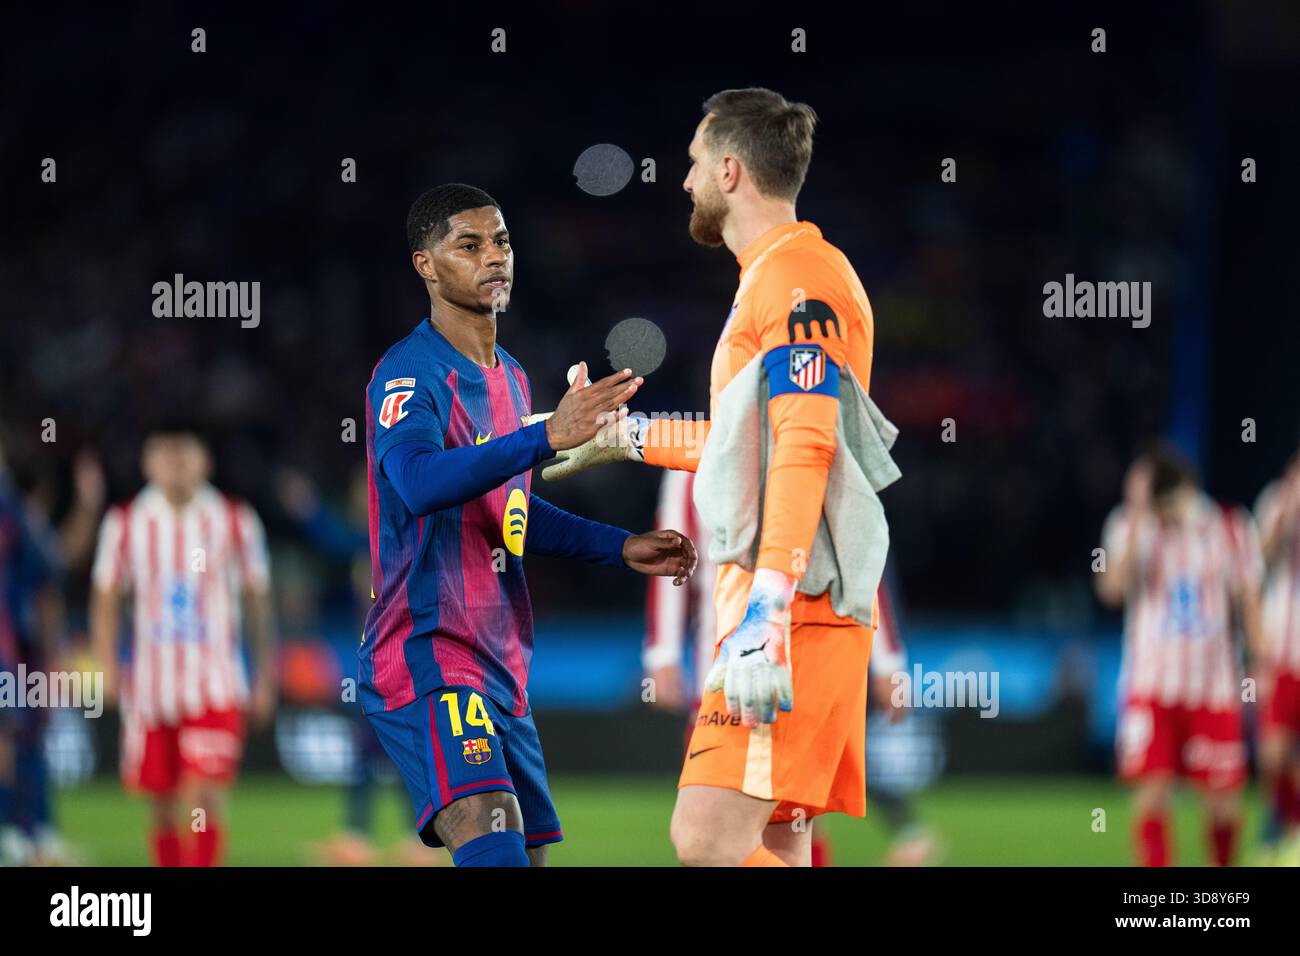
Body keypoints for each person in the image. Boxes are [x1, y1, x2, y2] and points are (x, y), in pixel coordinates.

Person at [549, 88, 886, 866]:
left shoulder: (800, 282)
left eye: (695, 162)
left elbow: (806, 445)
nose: (684, 181)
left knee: (704, 839)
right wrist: (628, 436)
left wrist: (767, 609)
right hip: (788, 604)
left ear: (731, 171)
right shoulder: (777, 276)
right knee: (774, 846)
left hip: (790, 609)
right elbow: (753, 445)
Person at [360, 183, 697, 867]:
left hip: (500, 661)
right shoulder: (408, 375)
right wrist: (545, 441)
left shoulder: (511, 379)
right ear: (426, 265)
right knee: (487, 822)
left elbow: (506, 512)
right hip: (429, 651)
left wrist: (618, 546)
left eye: (503, 242)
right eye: (470, 244)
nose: (494, 258)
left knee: (526, 853)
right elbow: (420, 484)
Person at [90, 423, 277, 866]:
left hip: (215, 683)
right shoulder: (125, 522)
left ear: (204, 460)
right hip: (153, 690)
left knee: (202, 793)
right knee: (162, 804)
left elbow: (257, 600)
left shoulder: (234, 519)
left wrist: (264, 674)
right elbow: (105, 597)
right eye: (164, 454)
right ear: (147, 463)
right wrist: (106, 662)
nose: (175, 464)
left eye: (184, 453)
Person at [1096, 444, 1263, 866]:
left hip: (1214, 684)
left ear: (1185, 488)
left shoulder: (1229, 526)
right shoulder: (1129, 526)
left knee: (1223, 802)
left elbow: (1249, 599)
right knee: (1153, 793)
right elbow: (1111, 589)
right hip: (1151, 683)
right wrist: (1137, 516)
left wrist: (1259, 666)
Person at [1252, 452, 1300, 863]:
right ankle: (1287, 823)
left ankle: (1283, 836)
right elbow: (1260, 559)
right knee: (1273, 754)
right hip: (1283, 653)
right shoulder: (1276, 499)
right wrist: (1288, 505)